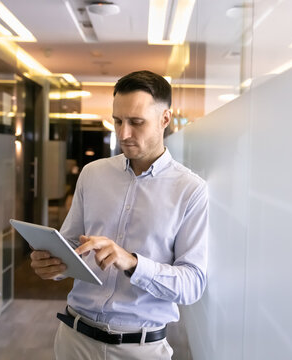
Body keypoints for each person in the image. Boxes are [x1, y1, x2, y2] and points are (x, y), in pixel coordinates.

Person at [30, 70, 209, 360]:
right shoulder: (93, 174)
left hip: (140, 350)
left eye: (137, 122)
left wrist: (132, 262)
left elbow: (192, 284)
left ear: (165, 119)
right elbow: (72, 245)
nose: (124, 133)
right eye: (118, 121)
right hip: (75, 340)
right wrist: (52, 264)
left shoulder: (190, 190)